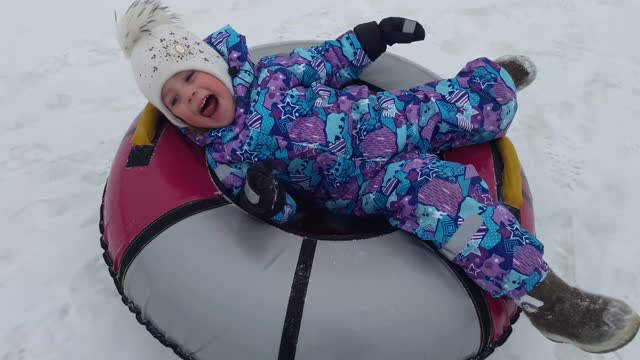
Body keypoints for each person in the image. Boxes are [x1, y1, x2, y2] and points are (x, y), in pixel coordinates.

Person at [116, 0, 639, 353]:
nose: (189, 96)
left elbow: (325, 62)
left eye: (189, 77)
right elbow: (286, 212)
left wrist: (372, 38)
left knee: (462, 103)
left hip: (389, 116)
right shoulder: (227, 158)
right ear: (178, 117)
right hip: (375, 182)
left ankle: (494, 84)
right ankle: (551, 299)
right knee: (449, 203)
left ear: (212, 65)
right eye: (174, 99)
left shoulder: (273, 72)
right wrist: (265, 200)